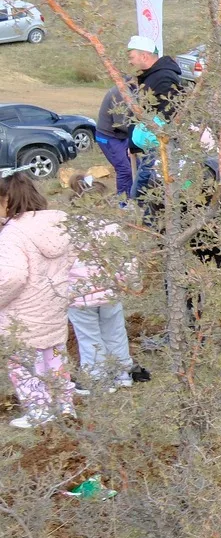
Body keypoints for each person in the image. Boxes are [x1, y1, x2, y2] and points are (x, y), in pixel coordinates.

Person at [0, 175, 78, 428]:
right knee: (55, 354)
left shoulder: (12, 234)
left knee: (22, 361)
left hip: (22, 312)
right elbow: (71, 257)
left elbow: (11, 276)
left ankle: (40, 409)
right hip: (53, 306)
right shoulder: (57, 223)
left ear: (6, 201)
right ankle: (64, 404)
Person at [64, 177, 145, 389]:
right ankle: (122, 375)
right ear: (102, 202)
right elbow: (126, 259)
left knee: (89, 338)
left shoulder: (67, 231)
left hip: (79, 297)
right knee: (115, 333)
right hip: (109, 293)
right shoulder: (112, 228)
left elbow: (62, 265)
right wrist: (129, 282)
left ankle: (98, 379)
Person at [126, 35, 185, 120]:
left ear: (144, 57)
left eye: (131, 57)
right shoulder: (152, 76)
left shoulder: (164, 79)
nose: (129, 62)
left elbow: (167, 119)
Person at [94, 82, 135, 197]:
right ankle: (122, 201)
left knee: (136, 165)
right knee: (124, 169)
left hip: (123, 135)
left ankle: (134, 196)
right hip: (108, 135)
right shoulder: (119, 93)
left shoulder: (135, 90)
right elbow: (121, 124)